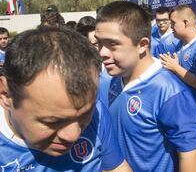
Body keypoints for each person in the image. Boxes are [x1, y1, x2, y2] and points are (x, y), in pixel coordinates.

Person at [0, 26, 131, 171]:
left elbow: (117, 167)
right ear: (6, 95)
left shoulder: (97, 112)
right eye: (53, 122)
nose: (73, 135)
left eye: (84, 115)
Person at [95, 1, 196, 172]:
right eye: (100, 43)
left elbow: (191, 153)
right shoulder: (109, 79)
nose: (102, 52)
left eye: (112, 44)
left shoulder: (169, 91)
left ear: (142, 45)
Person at [160, 5, 196, 172]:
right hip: (187, 113)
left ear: (186, 22)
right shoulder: (181, 45)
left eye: (173, 23)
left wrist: (175, 67)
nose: (171, 27)